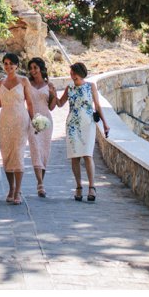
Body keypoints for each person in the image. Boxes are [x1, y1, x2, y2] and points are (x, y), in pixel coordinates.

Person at [53, 61, 112, 202]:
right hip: (72, 124)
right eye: (71, 72)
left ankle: (92, 187)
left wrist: (105, 123)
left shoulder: (91, 87)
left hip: (88, 124)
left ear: (80, 72)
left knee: (87, 155)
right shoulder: (69, 88)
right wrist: (53, 94)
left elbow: (97, 106)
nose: (72, 75)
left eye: (74, 72)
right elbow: (60, 104)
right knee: (75, 156)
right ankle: (79, 186)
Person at [0, 52, 32, 204]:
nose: (8, 66)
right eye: (6, 64)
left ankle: (18, 191)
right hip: (4, 121)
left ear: (16, 65)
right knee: (7, 154)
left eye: (11, 64)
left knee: (18, 153)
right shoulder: (0, 82)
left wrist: (34, 119)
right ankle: (11, 188)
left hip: (20, 120)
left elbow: (29, 102)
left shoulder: (23, 81)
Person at [24, 57, 57, 198]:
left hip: (46, 120)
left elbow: (52, 106)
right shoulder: (27, 84)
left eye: (35, 68)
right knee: (35, 150)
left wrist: (54, 94)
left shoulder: (48, 85)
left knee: (44, 151)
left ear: (41, 68)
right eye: (31, 68)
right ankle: (40, 183)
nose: (33, 70)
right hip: (32, 119)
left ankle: (41, 181)